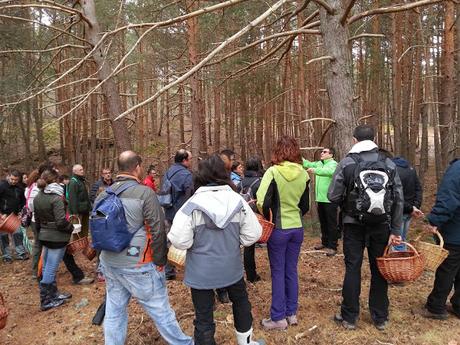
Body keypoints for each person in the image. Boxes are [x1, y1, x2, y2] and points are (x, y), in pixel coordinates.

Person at [98, 150, 192, 345]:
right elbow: (158, 230)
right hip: (138, 263)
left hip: (109, 262)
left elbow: (98, 230)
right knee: (160, 309)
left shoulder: (103, 194)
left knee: (114, 311)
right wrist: (160, 261)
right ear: (137, 167)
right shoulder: (145, 193)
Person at [168, 154, 264, 345]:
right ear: (224, 174)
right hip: (231, 267)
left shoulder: (191, 206)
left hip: (200, 272)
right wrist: (234, 243)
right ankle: (246, 342)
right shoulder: (238, 202)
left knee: (203, 315)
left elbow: (179, 241)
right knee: (241, 303)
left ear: (200, 176)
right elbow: (254, 234)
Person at [328, 125, 403, 331]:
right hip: (382, 225)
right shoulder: (388, 162)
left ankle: (349, 317)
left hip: (353, 225)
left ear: (355, 140)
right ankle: (380, 317)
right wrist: (396, 231)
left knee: (353, 269)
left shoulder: (347, 163)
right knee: (379, 270)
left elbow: (332, 196)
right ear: (373, 139)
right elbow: (398, 198)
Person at [256, 136, 310, 330]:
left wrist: (267, 216)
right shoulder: (304, 174)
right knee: (291, 270)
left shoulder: (272, 172)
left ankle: (278, 318)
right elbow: (305, 206)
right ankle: (291, 313)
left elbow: (261, 200)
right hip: (297, 228)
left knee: (278, 272)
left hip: (278, 229)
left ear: (278, 150)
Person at [424, 158, 460, 320]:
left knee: (447, 270)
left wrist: (435, 220)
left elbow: (448, 200)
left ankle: (436, 307)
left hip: (455, 232)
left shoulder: (457, 170)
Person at [34, 169, 73, 311]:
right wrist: (71, 228)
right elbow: (61, 222)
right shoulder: (56, 198)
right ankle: (46, 300)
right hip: (57, 238)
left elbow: (37, 220)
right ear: (55, 180)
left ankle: (54, 294)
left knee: (46, 266)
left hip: (44, 236)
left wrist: (40, 234)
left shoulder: (38, 197)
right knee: (50, 268)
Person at [161, 149, 193, 281]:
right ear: (184, 160)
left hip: (168, 210)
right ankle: (190, 269)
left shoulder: (168, 172)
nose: (191, 161)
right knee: (188, 240)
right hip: (181, 214)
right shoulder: (186, 175)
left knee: (170, 240)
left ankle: (168, 271)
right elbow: (190, 195)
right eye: (190, 159)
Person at [303, 147, 339, 256]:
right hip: (320, 198)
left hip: (330, 199)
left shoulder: (333, 164)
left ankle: (333, 246)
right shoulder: (319, 163)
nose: (322, 153)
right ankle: (325, 242)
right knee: (323, 222)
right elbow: (308, 164)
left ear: (331, 155)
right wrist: (298, 157)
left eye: (324, 152)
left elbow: (328, 172)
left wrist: (315, 171)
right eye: (321, 151)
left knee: (331, 223)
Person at [239, 156, 264, 283]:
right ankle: (252, 275)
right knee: (252, 244)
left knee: (247, 246)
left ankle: (249, 275)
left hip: (241, 216)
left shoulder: (240, 182)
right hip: (257, 217)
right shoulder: (261, 182)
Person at [392, 156, 424, 251]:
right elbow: (418, 189)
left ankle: (400, 265)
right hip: (409, 212)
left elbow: (395, 197)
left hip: (399, 213)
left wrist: (412, 208)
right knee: (402, 240)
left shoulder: (393, 171)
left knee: (397, 243)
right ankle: (403, 263)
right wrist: (415, 207)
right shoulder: (411, 170)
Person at [0, 170, 28, 263]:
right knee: (3, 236)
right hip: (2, 216)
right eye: (12, 179)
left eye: (15, 180)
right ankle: (7, 256)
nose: (13, 181)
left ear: (18, 179)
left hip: (14, 215)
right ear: (8, 176)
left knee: (18, 233)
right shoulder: (2, 186)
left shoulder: (19, 188)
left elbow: (23, 202)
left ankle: (21, 253)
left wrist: (21, 212)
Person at [67, 164, 91, 238]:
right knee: (77, 233)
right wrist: (75, 213)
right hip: (77, 213)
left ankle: (84, 247)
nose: (82, 171)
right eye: (80, 170)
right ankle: (77, 248)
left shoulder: (81, 180)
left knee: (84, 231)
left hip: (84, 211)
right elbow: (72, 198)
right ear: (75, 172)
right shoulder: (73, 182)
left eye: (82, 169)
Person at [25, 169, 40, 277]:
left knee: (38, 244)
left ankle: (38, 269)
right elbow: (31, 205)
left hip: (35, 220)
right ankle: (36, 271)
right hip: (37, 220)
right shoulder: (34, 188)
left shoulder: (28, 188)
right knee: (38, 245)